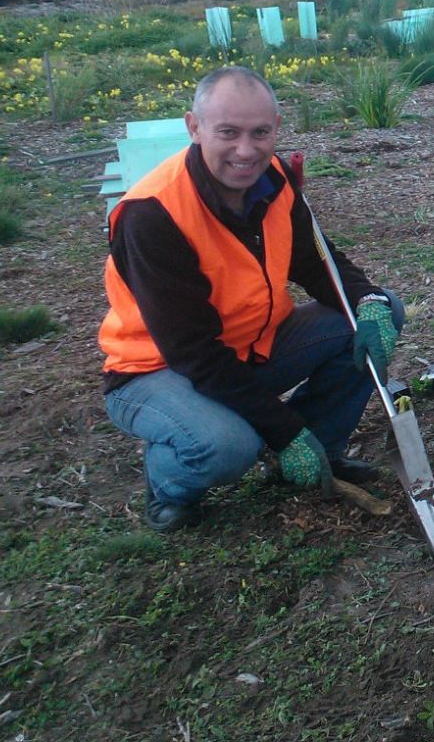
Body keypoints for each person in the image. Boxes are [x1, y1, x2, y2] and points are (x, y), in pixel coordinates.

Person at [98, 67, 405, 533]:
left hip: (251, 346)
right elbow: (193, 352)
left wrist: (367, 300)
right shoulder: (153, 215)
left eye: (260, 133)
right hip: (156, 369)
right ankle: (169, 485)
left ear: (276, 127)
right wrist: (281, 430)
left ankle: (317, 448)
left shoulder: (275, 177)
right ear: (194, 127)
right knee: (228, 447)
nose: (246, 150)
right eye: (228, 132)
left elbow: (315, 260)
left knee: (378, 313)